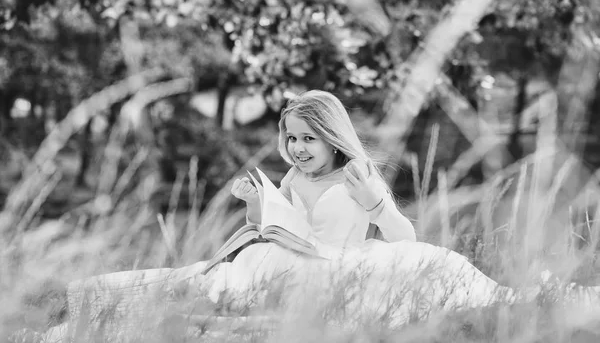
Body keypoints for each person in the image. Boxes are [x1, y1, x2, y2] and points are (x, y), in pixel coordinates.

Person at [40, 90, 599, 342]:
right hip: (294, 255)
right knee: (224, 268)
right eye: (292, 138)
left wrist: (376, 201)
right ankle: (98, 300)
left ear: (333, 138)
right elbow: (294, 229)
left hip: (338, 262)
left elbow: (404, 236)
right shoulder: (294, 176)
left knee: (247, 276)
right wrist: (263, 210)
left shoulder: (355, 175)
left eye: (310, 138)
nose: (301, 148)